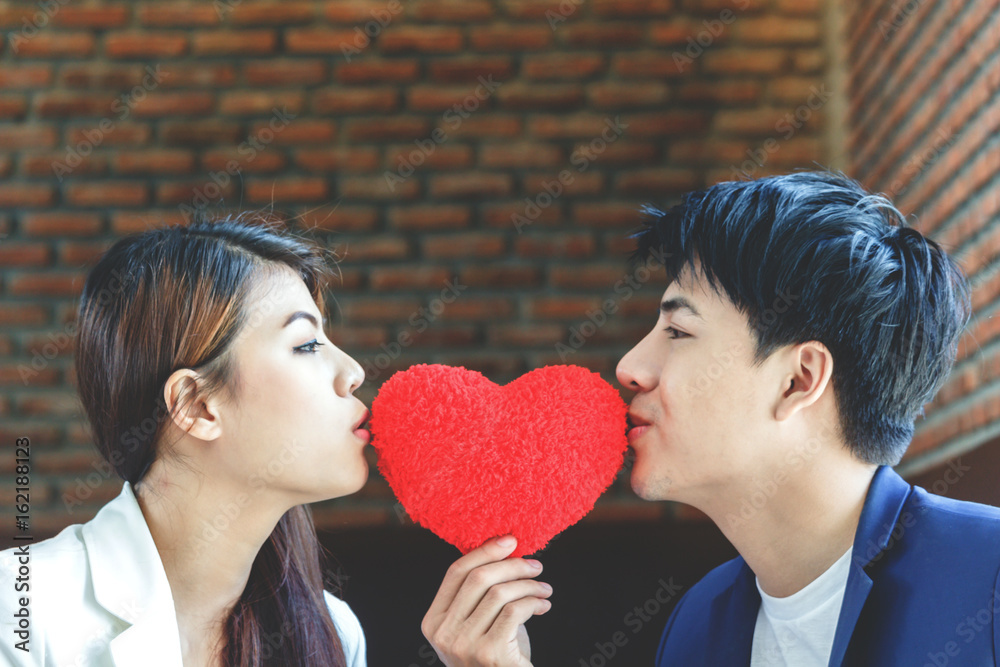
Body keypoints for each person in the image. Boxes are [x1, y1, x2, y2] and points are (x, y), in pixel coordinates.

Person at [421, 170, 1000, 666]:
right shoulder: (696, 623)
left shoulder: (988, 576)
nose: (629, 368)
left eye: (678, 331)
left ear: (798, 380)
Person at [0, 215, 369, 666]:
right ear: (196, 406)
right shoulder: (20, 613)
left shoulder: (333, 633)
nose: (354, 372)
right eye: (307, 344)